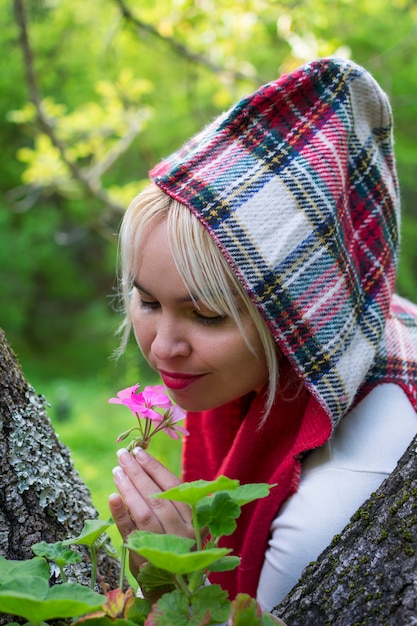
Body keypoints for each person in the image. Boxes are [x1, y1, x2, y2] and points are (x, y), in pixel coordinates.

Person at [108, 57, 417, 611]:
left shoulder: (336, 496)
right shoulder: (351, 325)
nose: (160, 347)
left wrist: (177, 576)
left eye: (207, 315)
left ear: (299, 318)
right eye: (148, 301)